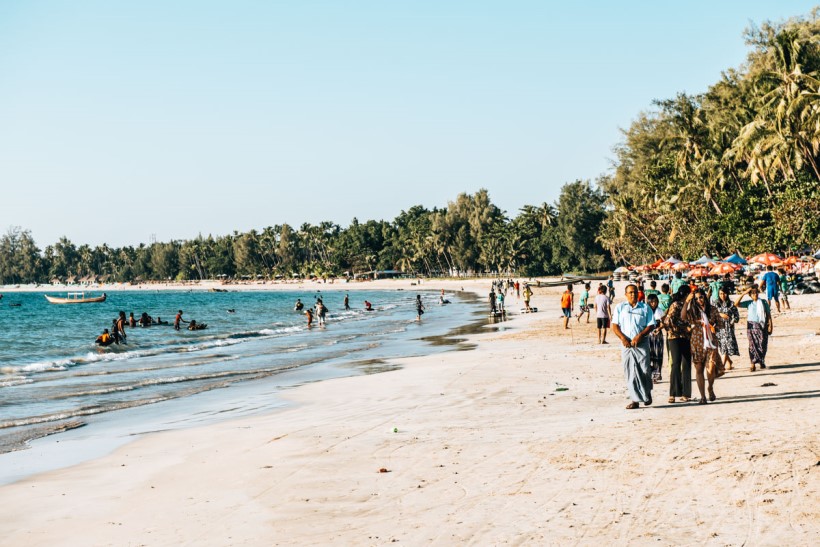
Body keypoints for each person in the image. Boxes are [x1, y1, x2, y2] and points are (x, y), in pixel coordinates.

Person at [611, 284, 656, 409]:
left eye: (635, 292)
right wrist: (622, 338)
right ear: (626, 294)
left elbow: (651, 325)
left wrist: (640, 335)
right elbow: (615, 326)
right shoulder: (620, 307)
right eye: (630, 292)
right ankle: (635, 400)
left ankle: (647, 393)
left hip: (641, 344)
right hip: (626, 345)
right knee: (630, 372)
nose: (633, 295)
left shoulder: (645, 308)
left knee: (645, 370)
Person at [683, 288, 723, 404]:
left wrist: (714, 328)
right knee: (699, 369)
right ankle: (703, 396)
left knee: (710, 368)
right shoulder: (693, 311)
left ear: (705, 297)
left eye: (701, 297)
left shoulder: (713, 310)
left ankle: (710, 387)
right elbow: (683, 316)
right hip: (697, 342)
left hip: (711, 342)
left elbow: (720, 324)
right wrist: (687, 302)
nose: (699, 300)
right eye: (696, 299)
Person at [662, 285, 692, 404]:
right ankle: (673, 393)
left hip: (686, 337)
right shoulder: (675, 305)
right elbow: (668, 321)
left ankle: (685, 393)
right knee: (675, 363)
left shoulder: (690, 306)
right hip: (674, 337)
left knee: (686, 363)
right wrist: (681, 328)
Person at [735, 286, 773, 372]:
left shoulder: (763, 302)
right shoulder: (749, 303)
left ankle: (761, 361)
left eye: (756, 292)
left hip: (762, 326)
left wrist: (771, 325)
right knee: (752, 345)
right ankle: (752, 363)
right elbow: (736, 304)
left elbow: (768, 315)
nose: (755, 294)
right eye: (752, 293)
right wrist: (744, 293)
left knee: (762, 344)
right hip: (751, 326)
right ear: (750, 295)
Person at [714, 286, 740, 371]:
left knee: (725, 347)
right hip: (718, 329)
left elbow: (737, 317)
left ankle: (721, 367)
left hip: (728, 329)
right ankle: (729, 362)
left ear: (727, 293)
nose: (723, 295)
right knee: (722, 347)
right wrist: (720, 314)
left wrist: (731, 321)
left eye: (724, 293)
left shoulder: (731, 304)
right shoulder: (715, 304)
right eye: (721, 293)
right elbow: (712, 315)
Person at [646, 294, 664, 383]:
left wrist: (659, 329)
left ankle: (656, 375)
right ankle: (649, 374)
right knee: (648, 355)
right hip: (647, 335)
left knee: (657, 355)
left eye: (655, 301)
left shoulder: (660, 311)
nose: (654, 303)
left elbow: (663, 322)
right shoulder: (645, 311)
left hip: (657, 335)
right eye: (652, 302)